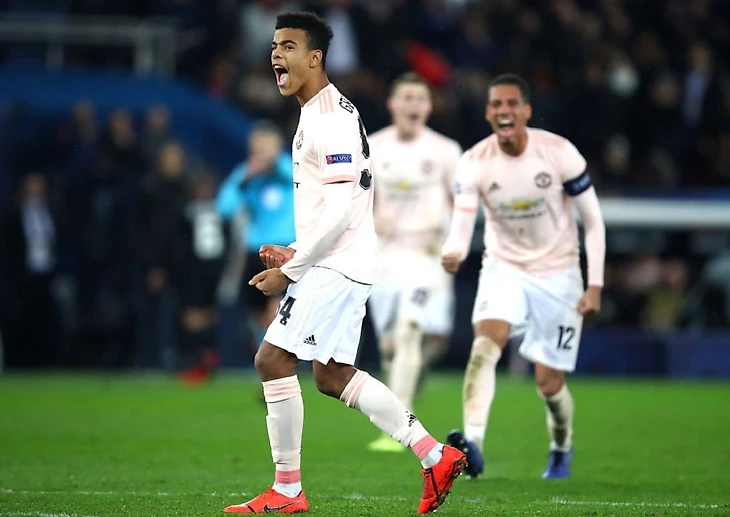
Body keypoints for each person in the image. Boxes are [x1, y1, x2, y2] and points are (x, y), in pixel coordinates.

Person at [223, 12, 466, 515]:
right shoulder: (319, 113)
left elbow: (340, 212)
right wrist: (297, 249)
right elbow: (338, 205)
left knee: (271, 360)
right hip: (342, 260)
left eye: (288, 46)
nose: (276, 55)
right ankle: (434, 454)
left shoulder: (330, 119)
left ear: (315, 58)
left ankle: (287, 490)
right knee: (333, 375)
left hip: (337, 265)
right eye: (274, 46)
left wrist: (292, 269)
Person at [441, 73, 606, 480]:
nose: (504, 110)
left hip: (559, 272)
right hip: (505, 267)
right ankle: (472, 446)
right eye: (496, 104)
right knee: (484, 346)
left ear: (527, 111)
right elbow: (463, 220)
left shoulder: (559, 153)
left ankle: (561, 445)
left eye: (512, 103)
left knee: (549, 385)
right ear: (488, 113)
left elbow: (593, 221)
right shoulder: (474, 161)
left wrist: (595, 284)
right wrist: (454, 250)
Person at [366, 72, 462, 453]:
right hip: (383, 258)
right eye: (406, 97)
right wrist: (369, 221)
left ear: (429, 106)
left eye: (420, 98)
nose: (413, 105)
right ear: (392, 104)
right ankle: (410, 380)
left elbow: (464, 204)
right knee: (390, 347)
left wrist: (453, 244)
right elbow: (356, 200)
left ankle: (397, 430)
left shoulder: (445, 151)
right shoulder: (373, 147)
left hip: (425, 258)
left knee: (411, 333)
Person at [216, 121, 296, 354]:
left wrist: (275, 165)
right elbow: (224, 207)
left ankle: (276, 359)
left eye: (267, 147)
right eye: (257, 148)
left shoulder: (290, 169)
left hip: (285, 249)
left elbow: (302, 180)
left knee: (277, 307)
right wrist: (246, 177)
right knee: (259, 313)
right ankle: (268, 359)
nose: (262, 153)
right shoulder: (247, 175)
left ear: (277, 147)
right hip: (256, 251)